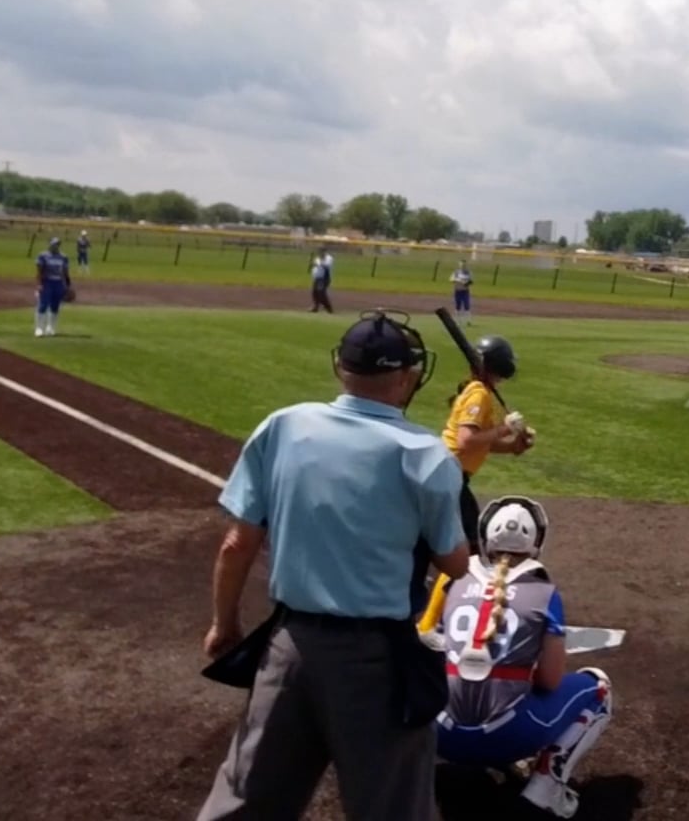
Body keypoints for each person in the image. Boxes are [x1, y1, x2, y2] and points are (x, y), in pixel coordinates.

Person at [196, 310, 470, 821]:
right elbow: (455, 563)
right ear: (408, 377)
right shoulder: (426, 454)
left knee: (244, 800)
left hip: (288, 650)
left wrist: (224, 624)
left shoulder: (283, 425)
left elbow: (236, 544)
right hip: (377, 663)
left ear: (340, 368)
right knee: (394, 809)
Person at [436, 496, 614, 819]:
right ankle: (545, 788)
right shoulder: (544, 593)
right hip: (508, 736)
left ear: (486, 539)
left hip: (441, 738)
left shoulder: (455, 582)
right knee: (598, 689)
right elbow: (549, 680)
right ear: (536, 543)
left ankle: (411, 773)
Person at [415, 335, 534, 637]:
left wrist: (513, 446)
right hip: (448, 476)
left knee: (451, 546)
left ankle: (427, 611)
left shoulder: (479, 391)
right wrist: (504, 429)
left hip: (446, 474)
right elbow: (467, 440)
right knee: (465, 552)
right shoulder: (479, 394)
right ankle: (428, 624)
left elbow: (480, 444)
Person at [34, 237, 72, 338]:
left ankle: (50, 327)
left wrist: (68, 286)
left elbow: (65, 272)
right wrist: (39, 284)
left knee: (55, 306)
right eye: (54, 244)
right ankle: (39, 328)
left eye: (57, 244)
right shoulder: (43, 256)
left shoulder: (63, 257)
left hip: (58, 282)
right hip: (47, 282)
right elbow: (39, 271)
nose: (55, 246)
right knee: (43, 305)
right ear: (50, 244)